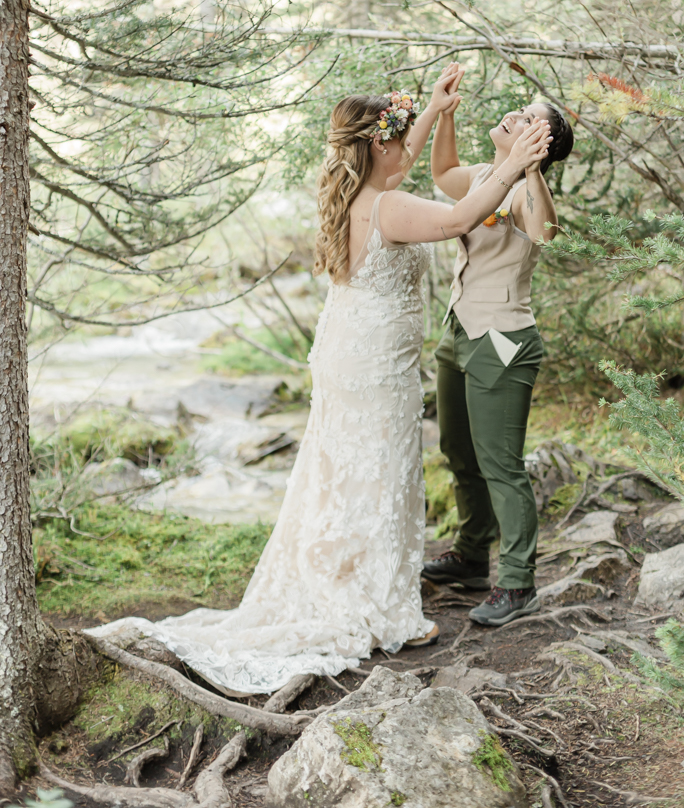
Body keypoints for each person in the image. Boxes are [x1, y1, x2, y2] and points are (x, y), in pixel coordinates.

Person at [88, 64, 552, 694]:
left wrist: (435, 113)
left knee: (344, 469)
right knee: (380, 468)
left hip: (348, 350)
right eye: (394, 139)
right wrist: (516, 160)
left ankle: (354, 578)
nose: (402, 150)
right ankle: (376, 602)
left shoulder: (354, 187)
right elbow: (458, 216)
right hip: (372, 363)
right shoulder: (388, 207)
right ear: (376, 148)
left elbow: (404, 164)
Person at [421, 95, 574, 627]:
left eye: (530, 118)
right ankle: (469, 556)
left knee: (501, 465)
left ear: (539, 143)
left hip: (502, 343)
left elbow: (544, 232)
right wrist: (446, 115)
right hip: (458, 330)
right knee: (456, 449)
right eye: (521, 109)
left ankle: (517, 583)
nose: (515, 114)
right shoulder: (489, 174)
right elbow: (442, 173)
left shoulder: (522, 190)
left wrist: (531, 171)